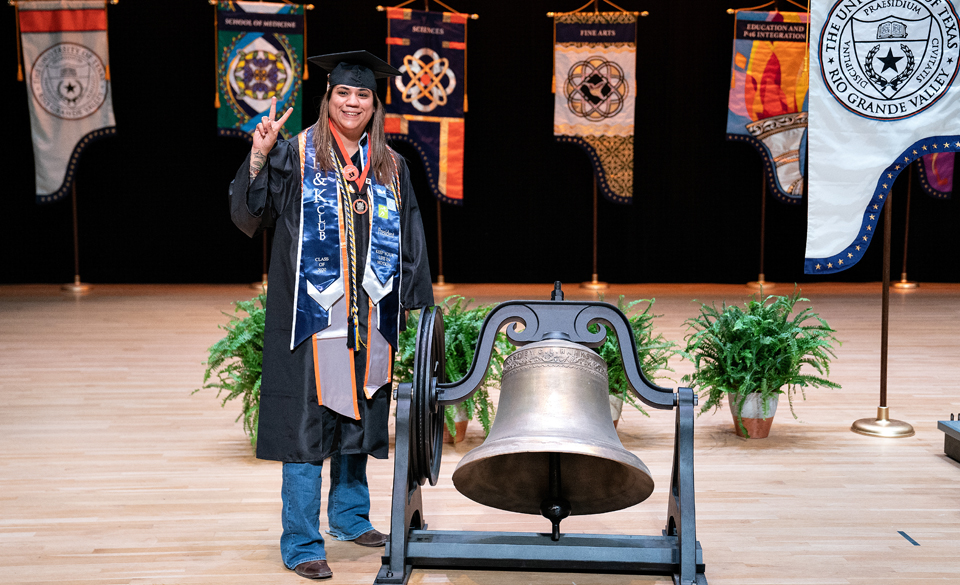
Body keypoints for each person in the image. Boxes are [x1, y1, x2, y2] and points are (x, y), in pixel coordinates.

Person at [229, 50, 434, 580]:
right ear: (328, 98)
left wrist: (417, 306)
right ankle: (301, 542)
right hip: (310, 316)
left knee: (358, 416)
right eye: (343, 92)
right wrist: (258, 155)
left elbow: (410, 235)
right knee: (306, 428)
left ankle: (348, 518)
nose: (352, 101)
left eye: (362, 94)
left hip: (369, 314)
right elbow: (254, 213)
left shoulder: (391, 164)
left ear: (374, 104)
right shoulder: (296, 152)